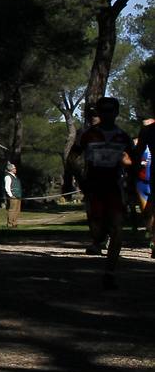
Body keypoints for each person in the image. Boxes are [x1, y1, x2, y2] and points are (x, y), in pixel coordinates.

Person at [70, 95, 135, 289]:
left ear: (116, 113)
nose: (107, 114)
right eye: (103, 110)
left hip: (114, 187)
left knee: (117, 229)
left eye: (110, 110)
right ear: (99, 113)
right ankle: (99, 238)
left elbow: (133, 161)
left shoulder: (123, 137)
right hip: (93, 186)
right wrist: (79, 179)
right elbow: (72, 157)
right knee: (97, 230)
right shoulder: (87, 135)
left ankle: (109, 272)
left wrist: (130, 182)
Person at [136, 117, 154, 257]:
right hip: (142, 183)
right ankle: (152, 236)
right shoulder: (139, 143)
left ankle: (154, 243)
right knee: (147, 214)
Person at [3, 162, 22, 229]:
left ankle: (15, 223)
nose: (15, 169)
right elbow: (7, 187)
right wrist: (11, 195)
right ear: (11, 169)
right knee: (12, 210)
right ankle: (10, 223)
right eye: (14, 168)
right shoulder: (8, 176)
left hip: (18, 196)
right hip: (13, 196)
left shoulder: (15, 176)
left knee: (17, 210)